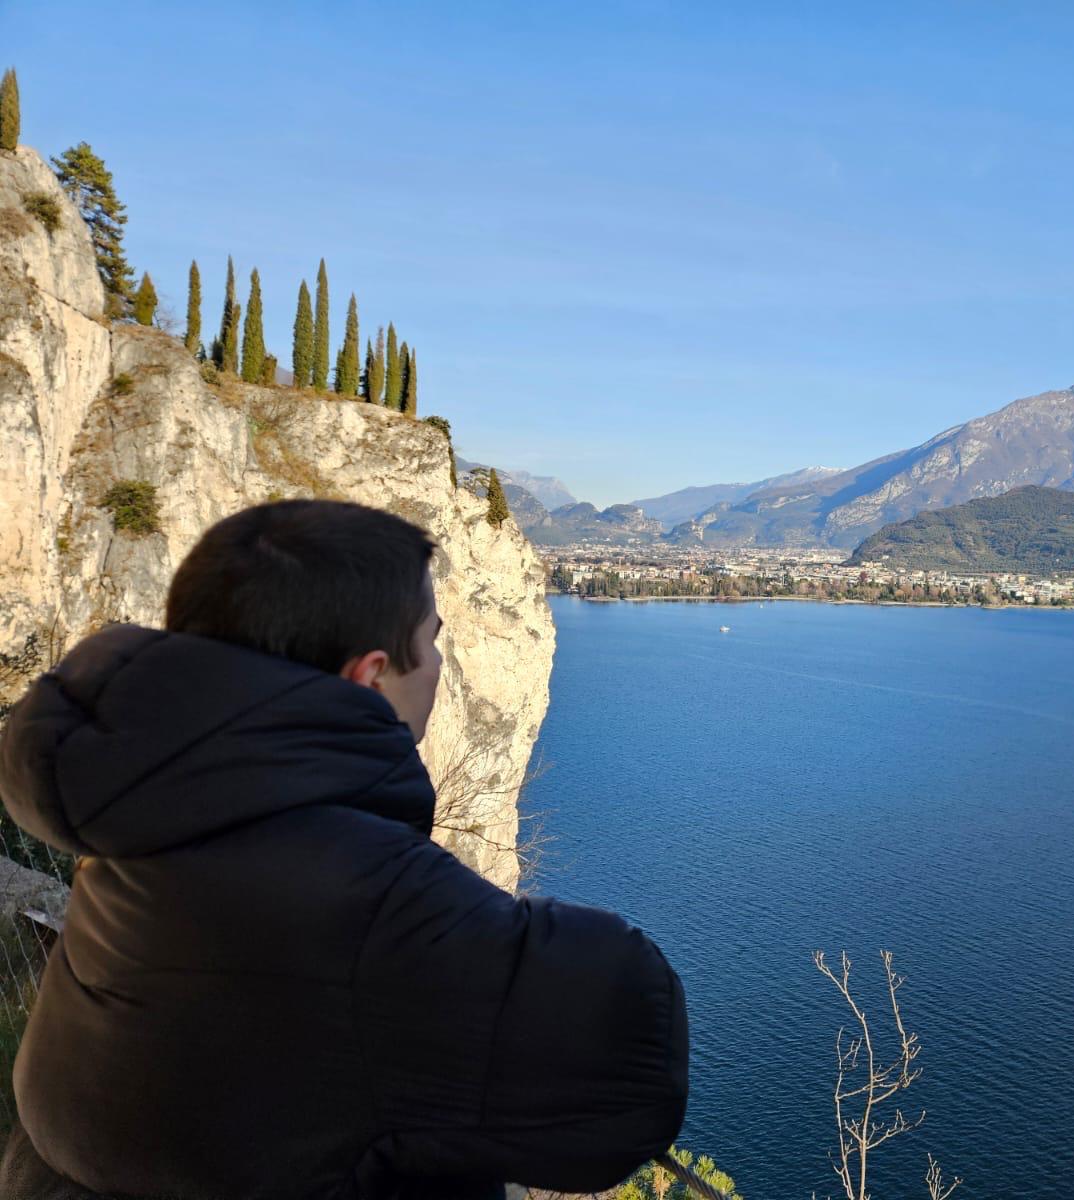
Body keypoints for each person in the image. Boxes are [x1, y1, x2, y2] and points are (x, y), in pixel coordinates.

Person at [0, 499, 688, 1199]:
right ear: (371, 676)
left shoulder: (134, 821)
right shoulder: (371, 912)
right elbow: (627, 1077)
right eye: (435, 638)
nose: (442, 664)